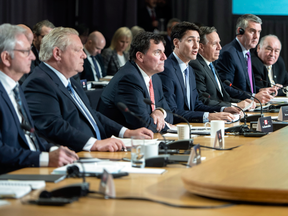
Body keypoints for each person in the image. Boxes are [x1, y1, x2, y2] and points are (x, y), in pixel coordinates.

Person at [22, 27, 153, 153]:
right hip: (75, 157)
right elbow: (53, 126)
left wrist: (127, 132)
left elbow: (91, 115)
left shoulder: (71, 81)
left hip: (94, 152)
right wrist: (94, 144)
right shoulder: (39, 82)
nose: (84, 55)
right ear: (57, 53)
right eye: (78, 50)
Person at [0, 24, 78, 174]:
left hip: (31, 170)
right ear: (6, 58)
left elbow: (29, 137)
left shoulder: (16, 89)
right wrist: (44, 159)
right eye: (26, 52)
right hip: (11, 179)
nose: (33, 56)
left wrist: (54, 150)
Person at [158, 22, 238, 124]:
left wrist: (223, 109)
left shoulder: (190, 70)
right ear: (176, 43)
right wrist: (208, 116)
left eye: (198, 40)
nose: (196, 46)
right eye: (190, 40)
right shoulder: (166, 70)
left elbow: (196, 105)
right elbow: (171, 112)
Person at [98, 32, 173, 132]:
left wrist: (160, 112)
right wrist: (170, 127)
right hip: (117, 143)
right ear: (140, 56)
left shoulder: (155, 78)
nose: (164, 57)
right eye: (157, 52)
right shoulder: (129, 79)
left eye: (163, 52)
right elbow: (143, 125)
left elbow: (170, 114)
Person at [215, 14, 276, 103]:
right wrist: (254, 96)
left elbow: (244, 86)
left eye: (259, 32)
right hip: (235, 110)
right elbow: (225, 87)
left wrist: (260, 91)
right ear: (240, 31)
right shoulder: (229, 53)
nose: (256, 36)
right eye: (252, 31)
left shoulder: (247, 52)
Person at [190, 26, 255, 109]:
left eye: (219, 43)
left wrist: (243, 103)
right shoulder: (196, 65)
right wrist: (235, 106)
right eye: (214, 44)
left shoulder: (210, 64)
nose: (219, 47)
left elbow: (224, 98)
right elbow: (202, 100)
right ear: (201, 47)